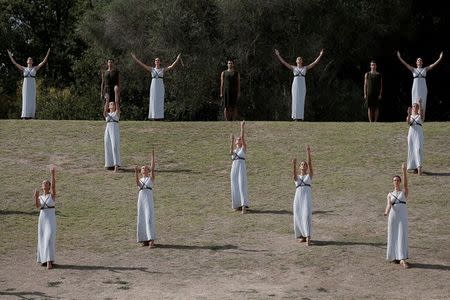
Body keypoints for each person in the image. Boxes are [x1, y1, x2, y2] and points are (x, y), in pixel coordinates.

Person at [274, 49, 324, 121]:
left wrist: (320, 55)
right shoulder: (293, 68)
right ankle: (295, 117)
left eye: (300, 59)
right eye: (298, 59)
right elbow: (284, 63)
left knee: (301, 100)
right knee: (295, 100)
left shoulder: (305, 68)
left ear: (302, 61)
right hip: (295, 85)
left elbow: (314, 63)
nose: (299, 60)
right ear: (296, 61)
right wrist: (278, 55)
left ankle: (301, 117)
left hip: (302, 85)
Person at [131, 53, 181, 120]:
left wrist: (177, 59)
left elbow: (171, 66)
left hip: (160, 86)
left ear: (160, 62)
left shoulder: (162, 69)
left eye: (158, 60)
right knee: (153, 100)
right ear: (154, 62)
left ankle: (160, 117)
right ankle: (153, 116)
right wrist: (135, 58)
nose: (157, 61)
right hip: (153, 85)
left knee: (160, 100)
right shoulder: (152, 69)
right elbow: (142, 65)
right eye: (156, 60)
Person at [397, 51, 443, 120]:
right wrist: (399, 57)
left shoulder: (425, 69)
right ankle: (413, 117)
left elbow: (433, 64)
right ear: (416, 62)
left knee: (423, 101)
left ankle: (421, 118)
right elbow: (405, 64)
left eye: (420, 60)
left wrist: (440, 58)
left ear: (422, 62)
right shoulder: (413, 69)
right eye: (418, 60)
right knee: (414, 101)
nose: (419, 61)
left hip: (423, 87)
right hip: (415, 88)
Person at [7, 48, 51, 119]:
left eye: (31, 59)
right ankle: (24, 115)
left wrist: (48, 53)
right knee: (25, 99)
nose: (30, 60)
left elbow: (43, 61)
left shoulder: (35, 68)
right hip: (26, 85)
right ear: (27, 61)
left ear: (32, 62)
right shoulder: (24, 68)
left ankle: (32, 115)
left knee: (32, 99)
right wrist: (10, 55)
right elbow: (14, 63)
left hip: (32, 85)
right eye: (29, 59)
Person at [384, 163, 410, 269]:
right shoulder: (390, 194)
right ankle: (395, 256)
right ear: (392, 182)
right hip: (393, 216)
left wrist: (403, 171)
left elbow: (406, 185)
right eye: (394, 180)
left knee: (402, 234)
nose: (396, 181)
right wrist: (386, 212)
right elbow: (389, 205)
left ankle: (402, 258)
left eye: (398, 180)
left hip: (402, 215)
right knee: (393, 234)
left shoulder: (404, 192)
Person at [35, 166, 57, 270]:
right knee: (42, 238)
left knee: (49, 238)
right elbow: (37, 206)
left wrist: (52, 174)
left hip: (50, 219)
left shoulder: (52, 196)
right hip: (42, 218)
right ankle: (45, 259)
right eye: (43, 183)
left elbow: (54, 186)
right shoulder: (40, 197)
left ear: (49, 186)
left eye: (46, 183)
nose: (44, 184)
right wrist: (35, 197)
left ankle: (49, 261)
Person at [135, 150, 157, 248]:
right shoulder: (140, 180)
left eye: (145, 168)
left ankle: (151, 239)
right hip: (141, 198)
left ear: (148, 171)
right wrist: (135, 173)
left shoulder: (150, 179)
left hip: (148, 198)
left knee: (149, 217)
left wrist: (152, 158)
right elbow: (137, 184)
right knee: (142, 217)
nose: (144, 169)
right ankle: (144, 239)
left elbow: (153, 168)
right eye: (142, 168)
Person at [292, 145, 313, 246]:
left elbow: (310, 163)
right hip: (298, 199)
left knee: (306, 216)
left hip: (306, 200)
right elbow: (294, 176)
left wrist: (308, 153)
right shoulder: (297, 177)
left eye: (305, 164)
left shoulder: (309, 176)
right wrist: (294, 164)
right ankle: (302, 236)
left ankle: (308, 236)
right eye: (302, 164)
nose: (303, 165)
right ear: (300, 167)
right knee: (298, 216)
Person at [230, 121, 249, 213]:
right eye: (237, 139)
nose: (239, 140)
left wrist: (242, 127)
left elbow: (242, 137)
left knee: (242, 185)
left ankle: (244, 206)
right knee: (234, 185)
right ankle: (236, 205)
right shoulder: (234, 150)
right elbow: (230, 153)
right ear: (235, 142)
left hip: (241, 167)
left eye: (240, 139)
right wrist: (231, 141)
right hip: (234, 168)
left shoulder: (243, 149)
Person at [406, 99, 424, 175]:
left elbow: (422, 113)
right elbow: (408, 123)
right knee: (412, 148)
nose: (415, 107)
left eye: (416, 106)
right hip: (411, 133)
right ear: (412, 108)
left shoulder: (420, 116)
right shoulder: (409, 116)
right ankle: (414, 167)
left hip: (418, 132)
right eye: (414, 106)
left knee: (418, 148)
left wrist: (420, 103)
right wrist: (409, 114)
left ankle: (419, 167)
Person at [103, 99, 121, 172]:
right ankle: (109, 164)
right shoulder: (107, 114)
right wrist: (107, 100)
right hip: (108, 130)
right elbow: (104, 111)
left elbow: (117, 105)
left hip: (114, 130)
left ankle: (116, 165)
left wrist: (116, 95)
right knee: (107, 146)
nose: (112, 105)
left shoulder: (116, 113)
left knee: (114, 146)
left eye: (113, 104)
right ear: (108, 107)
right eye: (110, 104)